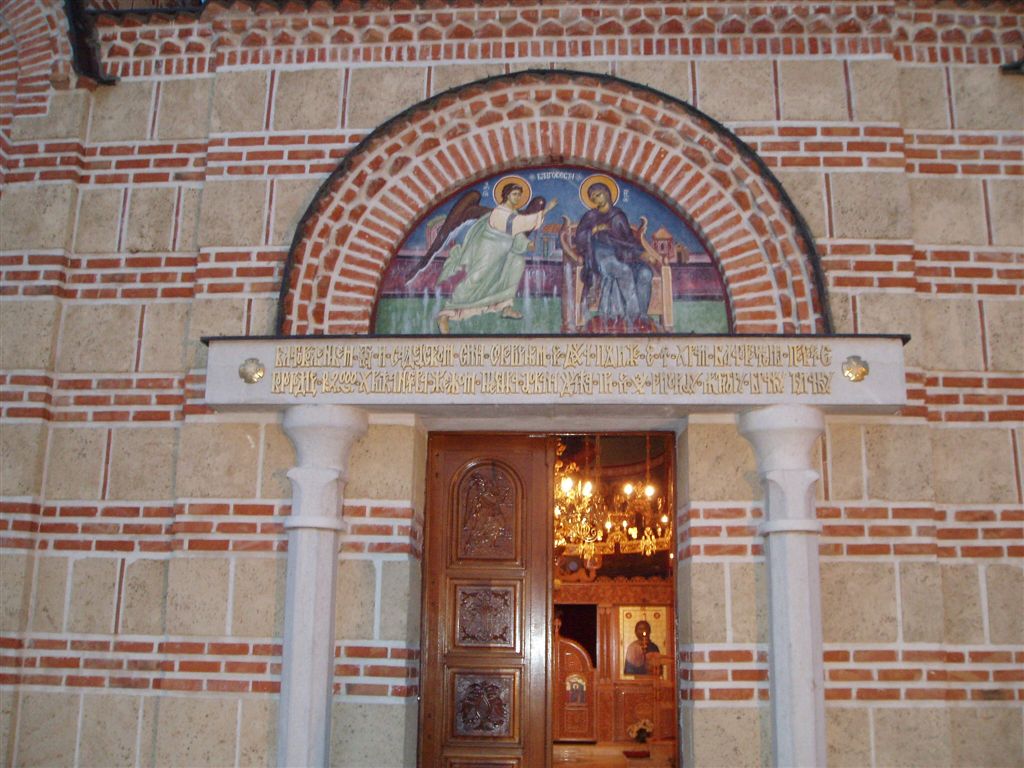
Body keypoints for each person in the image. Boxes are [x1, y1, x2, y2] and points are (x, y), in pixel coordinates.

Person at [434, 179, 557, 333]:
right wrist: (547, 210)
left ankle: (505, 307)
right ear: (506, 195)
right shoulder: (500, 212)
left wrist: (527, 244)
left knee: (516, 264)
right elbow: (516, 224)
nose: (517, 198)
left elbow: (515, 235)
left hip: (504, 253)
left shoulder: (514, 213)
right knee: (475, 279)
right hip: (489, 250)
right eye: (514, 194)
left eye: (519, 195)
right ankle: (446, 314)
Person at [572, 180, 654, 331]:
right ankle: (633, 317)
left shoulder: (619, 216)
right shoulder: (590, 216)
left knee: (645, 273)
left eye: (598, 195)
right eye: (593, 197)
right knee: (623, 270)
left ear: (607, 193)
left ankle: (643, 316)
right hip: (601, 256)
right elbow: (579, 239)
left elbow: (628, 240)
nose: (596, 199)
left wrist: (641, 253)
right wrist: (595, 230)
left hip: (623, 255)